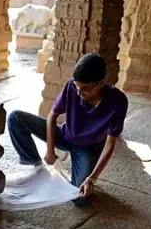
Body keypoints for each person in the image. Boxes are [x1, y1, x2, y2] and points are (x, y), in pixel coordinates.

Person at [7, 53, 128, 205]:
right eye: (77, 87)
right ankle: (35, 167)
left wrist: (92, 179)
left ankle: (80, 172)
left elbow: (110, 143)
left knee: (80, 199)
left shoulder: (118, 101)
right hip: (64, 135)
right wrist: (50, 152)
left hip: (88, 148)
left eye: (85, 89)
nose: (78, 93)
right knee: (15, 118)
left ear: (101, 83)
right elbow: (52, 117)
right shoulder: (72, 86)